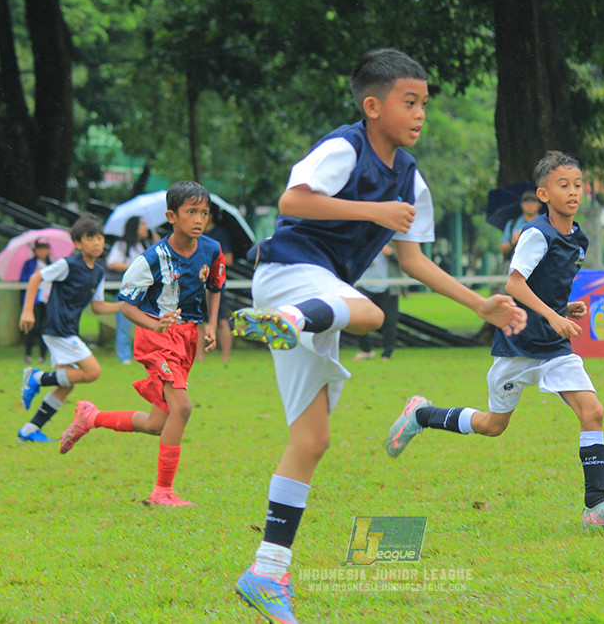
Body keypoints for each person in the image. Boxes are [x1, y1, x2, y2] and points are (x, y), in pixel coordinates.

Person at [227, 48, 527, 624]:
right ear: (372, 106)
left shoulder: (411, 180)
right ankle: (290, 321)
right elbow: (293, 200)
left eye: (424, 104)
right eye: (409, 102)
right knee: (370, 314)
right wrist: (373, 212)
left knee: (312, 440)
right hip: (289, 272)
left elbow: (414, 261)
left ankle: (265, 571)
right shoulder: (346, 148)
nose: (420, 114)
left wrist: (481, 304)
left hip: (318, 297)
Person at [385, 150, 604, 531]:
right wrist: (553, 315)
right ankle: (422, 415)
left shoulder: (579, 239)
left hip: (554, 349)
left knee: (593, 412)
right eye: (563, 185)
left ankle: (596, 506)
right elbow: (514, 284)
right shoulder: (536, 235)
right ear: (544, 194)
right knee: (493, 425)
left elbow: (544, 286)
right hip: (518, 345)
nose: (573, 192)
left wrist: (563, 308)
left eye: (578, 185)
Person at [57, 181, 226, 506]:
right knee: (182, 408)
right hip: (157, 337)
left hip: (187, 337)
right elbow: (128, 307)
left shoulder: (211, 249)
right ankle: (162, 492)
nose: (199, 219)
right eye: (191, 212)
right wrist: (155, 324)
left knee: (156, 424)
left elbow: (215, 286)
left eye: (204, 213)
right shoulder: (151, 259)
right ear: (171, 216)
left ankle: (91, 417)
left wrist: (211, 324)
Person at [17, 216, 123, 444]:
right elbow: (36, 278)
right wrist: (27, 311)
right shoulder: (68, 265)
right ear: (77, 243)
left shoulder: (98, 272)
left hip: (67, 329)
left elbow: (98, 307)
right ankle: (36, 377)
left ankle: (29, 430)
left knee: (66, 385)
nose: (97, 242)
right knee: (93, 372)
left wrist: (124, 306)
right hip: (58, 328)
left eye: (100, 238)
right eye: (90, 238)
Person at [105, 216, 156, 364]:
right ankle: (124, 356)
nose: (145, 227)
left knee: (148, 322)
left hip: (145, 289)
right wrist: (134, 267)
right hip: (128, 289)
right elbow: (112, 263)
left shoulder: (146, 245)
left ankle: (147, 354)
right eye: (143, 224)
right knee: (124, 323)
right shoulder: (122, 245)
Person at [353, 244, 400, 360]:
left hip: (388, 287)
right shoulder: (361, 241)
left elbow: (408, 260)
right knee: (360, 320)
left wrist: (390, 253)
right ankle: (366, 350)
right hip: (364, 286)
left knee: (389, 321)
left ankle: (387, 353)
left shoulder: (391, 242)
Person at [203, 206, 235, 362]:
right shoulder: (194, 234)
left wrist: (209, 261)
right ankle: (198, 358)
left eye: (205, 212)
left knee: (222, 319)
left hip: (216, 282)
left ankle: (226, 357)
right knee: (196, 321)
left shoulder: (220, 234)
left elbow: (228, 259)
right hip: (197, 282)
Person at [19, 238, 52, 365]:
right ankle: (27, 355)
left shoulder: (52, 265)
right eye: (40, 249)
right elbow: (23, 280)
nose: (42, 252)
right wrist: (34, 274)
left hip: (47, 300)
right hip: (35, 301)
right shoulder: (30, 264)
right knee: (32, 327)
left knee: (45, 328)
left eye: (45, 249)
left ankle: (43, 355)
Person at [500, 191, 542, 258]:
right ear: (521, 205)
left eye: (533, 201)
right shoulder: (512, 224)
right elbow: (503, 249)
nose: (529, 204)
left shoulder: (547, 223)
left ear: (539, 205)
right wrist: (512, 242)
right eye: (526, 201)